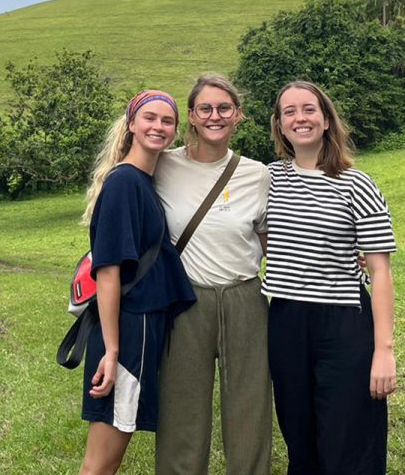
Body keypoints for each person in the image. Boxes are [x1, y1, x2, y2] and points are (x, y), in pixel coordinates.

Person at [263, 81, 397, 475]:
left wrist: (383, 350)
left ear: (325, 120)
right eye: (289, 111)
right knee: (299, 438)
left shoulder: (357, 183)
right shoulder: (267, 179)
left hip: (343, 321)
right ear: (279, 125)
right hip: (285, 320)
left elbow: (380, 271)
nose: (299, 118)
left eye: (308, 109)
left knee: (348, 440)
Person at [154, 74, 273, 475]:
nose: (215, 116)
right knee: (181, 407)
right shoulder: (164, 164)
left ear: (238, 115)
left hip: (245, 297)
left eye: (224, 108)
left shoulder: (257, 174)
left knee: (250, 405)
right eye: (205, 108)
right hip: (187, 299)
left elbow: (271, 239)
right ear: (191, 115)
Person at [78, 89, 197, 475]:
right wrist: (112, 353)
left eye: (167, 121)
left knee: (112, 457)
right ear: (131, 124)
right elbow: (109, 273)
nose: (158, 127)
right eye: (150, 118)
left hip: (141, 331)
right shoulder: (125, 184)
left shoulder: (144, 181)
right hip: (128, 334)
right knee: (101, 463)